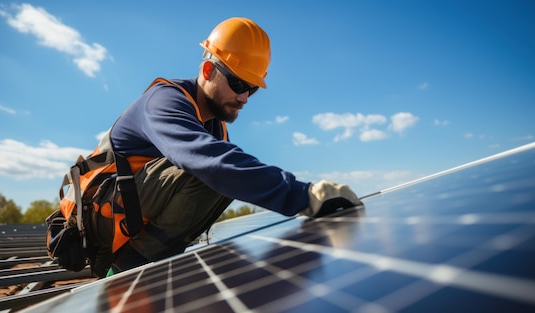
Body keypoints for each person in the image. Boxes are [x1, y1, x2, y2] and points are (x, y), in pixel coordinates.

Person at [99, 17, 362, 275]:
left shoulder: (215, 127)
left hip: (131, 215)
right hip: (102, 219)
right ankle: (131, 266)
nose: (244, 97)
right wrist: (303, 195)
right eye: (237, 84)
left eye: (252, 89)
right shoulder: (164, 102)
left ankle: (149, 259)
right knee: (216, 169)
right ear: (207, 71)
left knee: (230, 173)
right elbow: (208, 160)